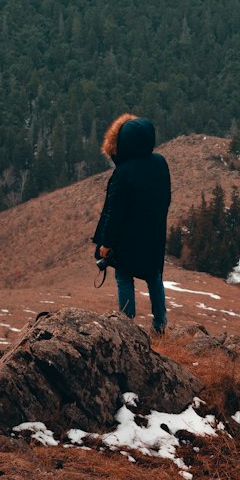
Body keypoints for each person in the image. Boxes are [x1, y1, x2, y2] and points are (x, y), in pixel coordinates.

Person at [92, 113, 171, 335]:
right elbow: (166, 199)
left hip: (127, 239)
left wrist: (106, 243)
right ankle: (160, 325)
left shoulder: (123, 173)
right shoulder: (160, 162)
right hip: (154, 234)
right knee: (154, 278)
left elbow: (114, 212)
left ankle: (127, 327)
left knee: (124, 277)